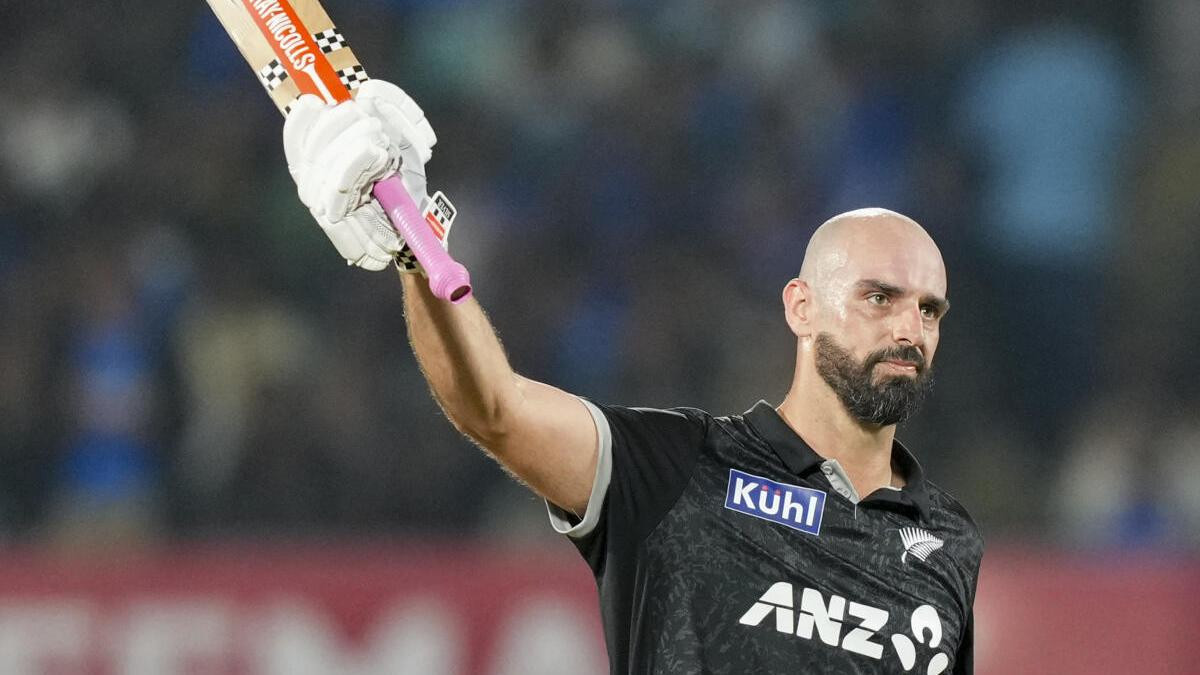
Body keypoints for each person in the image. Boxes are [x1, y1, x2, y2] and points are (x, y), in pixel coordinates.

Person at [282, 81, 983, 674]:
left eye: (929, 309)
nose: (909, 329)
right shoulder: (679, 470)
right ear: (801, 306)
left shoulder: (948, 541)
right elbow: (495, 407)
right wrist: (415, 248)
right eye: (879, 297)